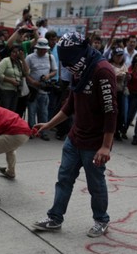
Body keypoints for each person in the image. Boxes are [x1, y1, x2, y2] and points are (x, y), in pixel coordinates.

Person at [31, 32, 118, 238]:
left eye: (70, 61)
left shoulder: (102, 71)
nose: (67, 65)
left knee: (95, 185)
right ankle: (55, 218)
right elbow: (70, 105)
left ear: (80, 53)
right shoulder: (79, 68)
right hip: (75, 138)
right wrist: (48, 125)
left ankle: (101, 220)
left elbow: (111, 111)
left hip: (95, 144)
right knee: (64, 180)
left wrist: (106, 146)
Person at [25, 37, 56, 139]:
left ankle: (43, 132)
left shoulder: (50, 57)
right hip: (33, 89)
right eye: (41, 49)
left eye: (45, 49)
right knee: (32, 111)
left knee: (43, 112)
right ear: (37, 48)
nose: (43, 51)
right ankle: (32, 131)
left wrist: (48, 76)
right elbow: (25, 73)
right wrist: (32, 81)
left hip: (44, 90)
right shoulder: (29, 58)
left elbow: (54, 71)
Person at [0, 44, 25, 114]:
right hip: (6, 90)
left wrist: (23, 59)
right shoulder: (5, 61)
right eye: (13, 52)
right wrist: (11, 80)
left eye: (17, 52)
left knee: (12, 112)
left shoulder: (19, 63)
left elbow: (27, 72)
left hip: (16, 91)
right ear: (10, 52)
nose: (15, 54)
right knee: (5, 111)